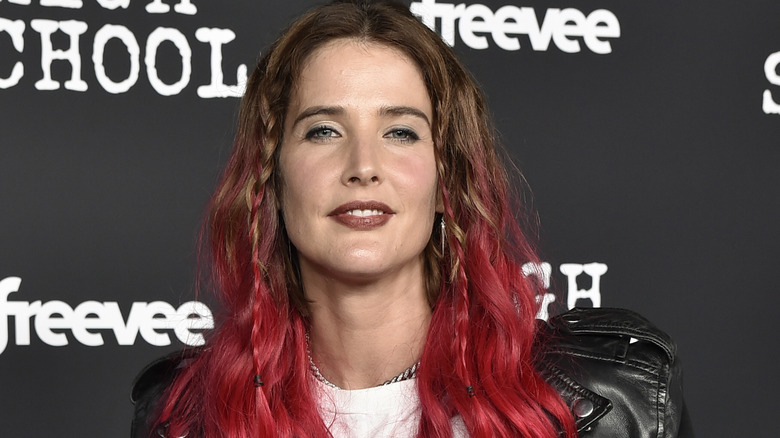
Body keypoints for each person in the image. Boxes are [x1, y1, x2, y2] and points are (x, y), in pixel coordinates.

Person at [131, 1, 692, 437]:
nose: (363, 166)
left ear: (447, 182)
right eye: (324, 130)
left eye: (400, 131)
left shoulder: (617, 401)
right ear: (272, 179)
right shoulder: (183, 417)